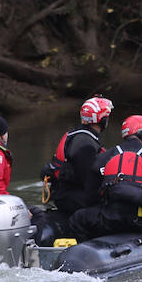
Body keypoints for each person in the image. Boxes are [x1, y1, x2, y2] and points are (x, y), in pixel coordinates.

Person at [68, 115, 142, 241]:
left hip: (110, 221)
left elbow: (90, 198)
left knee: (78, 218)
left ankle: (86, 249)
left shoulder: (103, 158)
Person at [41, 96, 114, 226]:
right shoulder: (86, 144)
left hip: (64, 193)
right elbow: (87, 180)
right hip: (71, 197)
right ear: (102, 119)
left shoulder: (77, 135)